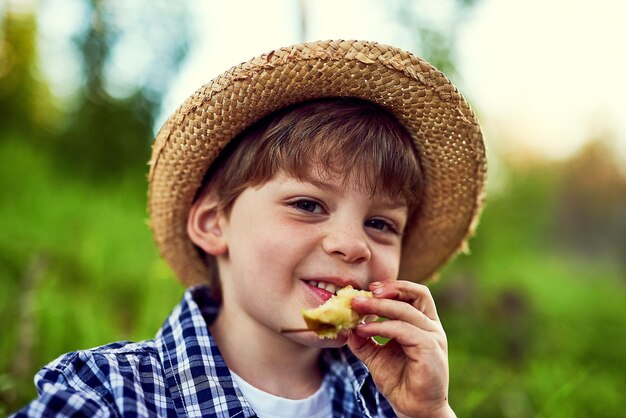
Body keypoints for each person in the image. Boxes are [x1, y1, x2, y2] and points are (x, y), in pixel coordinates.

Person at [12, 40, 486, 418]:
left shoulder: (393, 404)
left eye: (380, 223)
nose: (351, 245)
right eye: (307, 204)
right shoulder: (111, 391)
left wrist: (429, 413)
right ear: (214, 225)